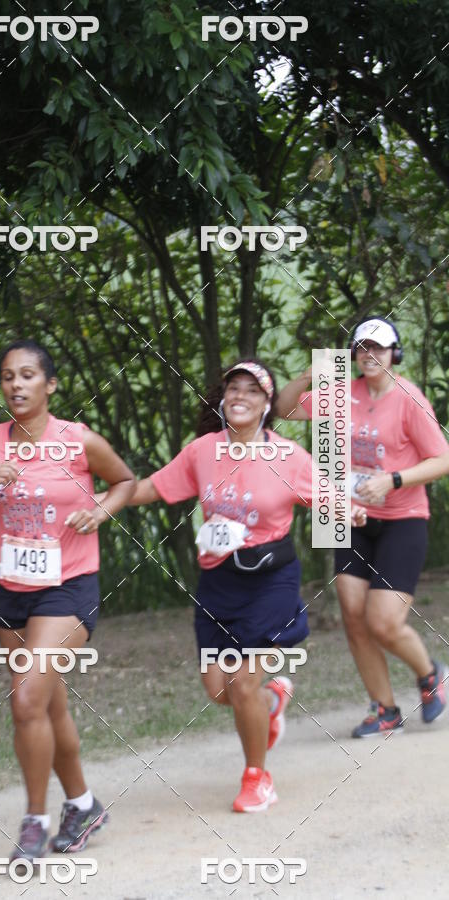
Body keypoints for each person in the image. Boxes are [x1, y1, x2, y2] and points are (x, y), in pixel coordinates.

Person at [123, 359, 365, 811]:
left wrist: (347, 510)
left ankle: (258, 777)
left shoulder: (288, 456)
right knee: (219, 690)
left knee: (240, 684)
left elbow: (325, 494)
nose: (240, 396)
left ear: (267, 404)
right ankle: (274, 699)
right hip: (219, 581)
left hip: (270, 581)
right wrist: (100, 497)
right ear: (222, 399)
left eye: (253, 391)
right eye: (233, 388)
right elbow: (151, 488)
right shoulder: (202, 452)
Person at [0, 339, 135, 861]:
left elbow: (124, 481)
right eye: (7, 376)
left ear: (49, 385)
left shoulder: (77, 439)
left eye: (28, 375)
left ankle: (34, 821)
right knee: (48, 703)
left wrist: (100, 511)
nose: (16, 384)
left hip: (68, 585)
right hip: (10, 588)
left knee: (26, 698)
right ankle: (83, 803)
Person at [276, 317, 449, 737]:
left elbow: (442, 460)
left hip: (402, 518)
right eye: (364, 348)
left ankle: (431, 675)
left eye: (381, 348)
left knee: (384, 621)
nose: (372, 356)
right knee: (353, 616)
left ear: (395, 353)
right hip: (347, 515)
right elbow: (282, 409)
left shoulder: (408, 397)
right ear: (354, 354)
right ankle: (385, 709)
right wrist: (307, 376)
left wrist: (392, 480)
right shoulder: (340, 393)